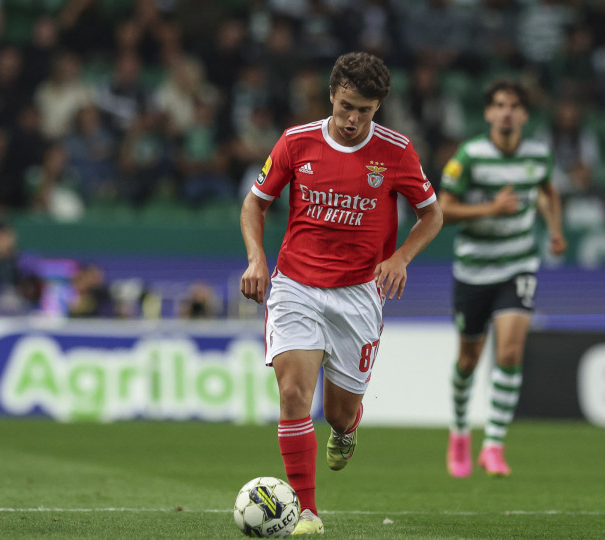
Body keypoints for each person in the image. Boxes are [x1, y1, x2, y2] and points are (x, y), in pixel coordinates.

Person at [239, 52, 443, 535]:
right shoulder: (296, 142)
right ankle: (306, 513)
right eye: (347, 106)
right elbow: (255, 202)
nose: (353, 120)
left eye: (365, 111)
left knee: (338, 411)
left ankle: (347, 429)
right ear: (331, 94)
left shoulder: (396, 152)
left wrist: (399, 258)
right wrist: (256, 258)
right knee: (292, 394)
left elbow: (431, 215)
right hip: (296, 285)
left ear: (379, 108)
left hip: (358, 294)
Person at [439, 80, 566, 478]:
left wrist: (555, 229)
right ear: (489, 113)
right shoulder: (470, 156)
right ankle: (460, 431)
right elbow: (443, 210)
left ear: (525, 115)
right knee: (468, 360)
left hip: (518, 264)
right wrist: (492, 208)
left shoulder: (538, 154)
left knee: (509, 352)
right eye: (499, 105)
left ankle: (493, 444)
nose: (506, 112)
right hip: (474, 269)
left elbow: (547, 191)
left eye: (514, 106)